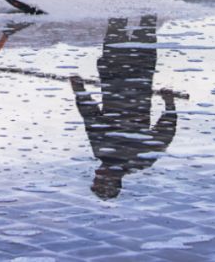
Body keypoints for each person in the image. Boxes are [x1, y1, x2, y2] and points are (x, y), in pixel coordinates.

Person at [70, 16, 179, 199]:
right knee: (143, 22)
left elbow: (92, 117)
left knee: (119, 21)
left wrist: (80, 90)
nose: (96, 174)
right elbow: (164, 133)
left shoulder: (104, 152)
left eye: (95, 178)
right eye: (99, 179)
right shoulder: (137, 159)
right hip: (137, 74)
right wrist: (169, 104)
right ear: (112, 180)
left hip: (115, 74)